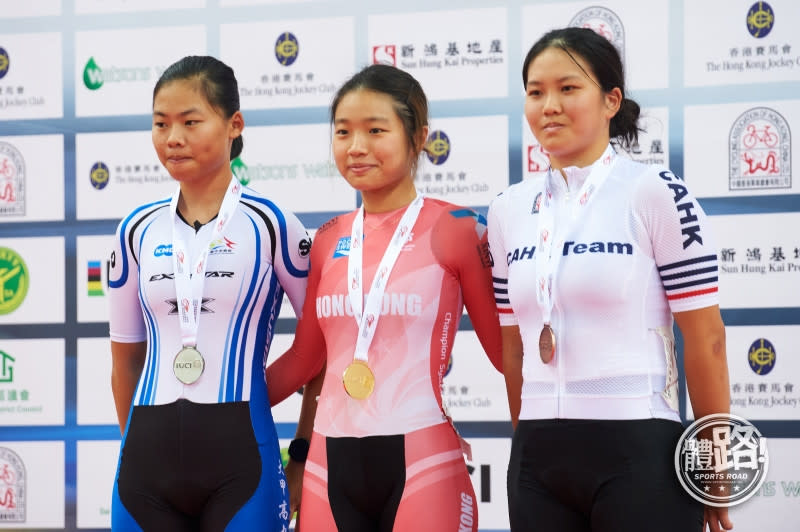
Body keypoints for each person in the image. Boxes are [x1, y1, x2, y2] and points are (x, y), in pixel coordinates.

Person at [488, 27, 733, 532]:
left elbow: (706, 338)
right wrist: (525, 443)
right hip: (537, 458)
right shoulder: (507, 209)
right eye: (535, 92)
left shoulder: (653, 191)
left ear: (610, 100)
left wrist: (714, 460)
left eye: (568, 88)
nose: (548, 105)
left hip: (640, 453)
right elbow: (514, 345)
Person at [265, 63, 503, 532]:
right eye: (343, 132)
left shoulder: (458, 228)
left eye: (376, 130)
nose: (356, 147)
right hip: (326, 466)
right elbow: (305, 360)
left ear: (418, 137)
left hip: (423, 458)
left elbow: (504, 353)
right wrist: (225, 402)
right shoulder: (330, 239)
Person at [108, 55, 310, 531]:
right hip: (145, 466)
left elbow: (322, 349)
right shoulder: (134, 229)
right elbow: (124, 364)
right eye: (160, 123)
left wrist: (301, 449)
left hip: (243, 460)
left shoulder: (274, 224)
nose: (172, 138)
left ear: (233, 125)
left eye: (190, 121)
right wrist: (133, 448)